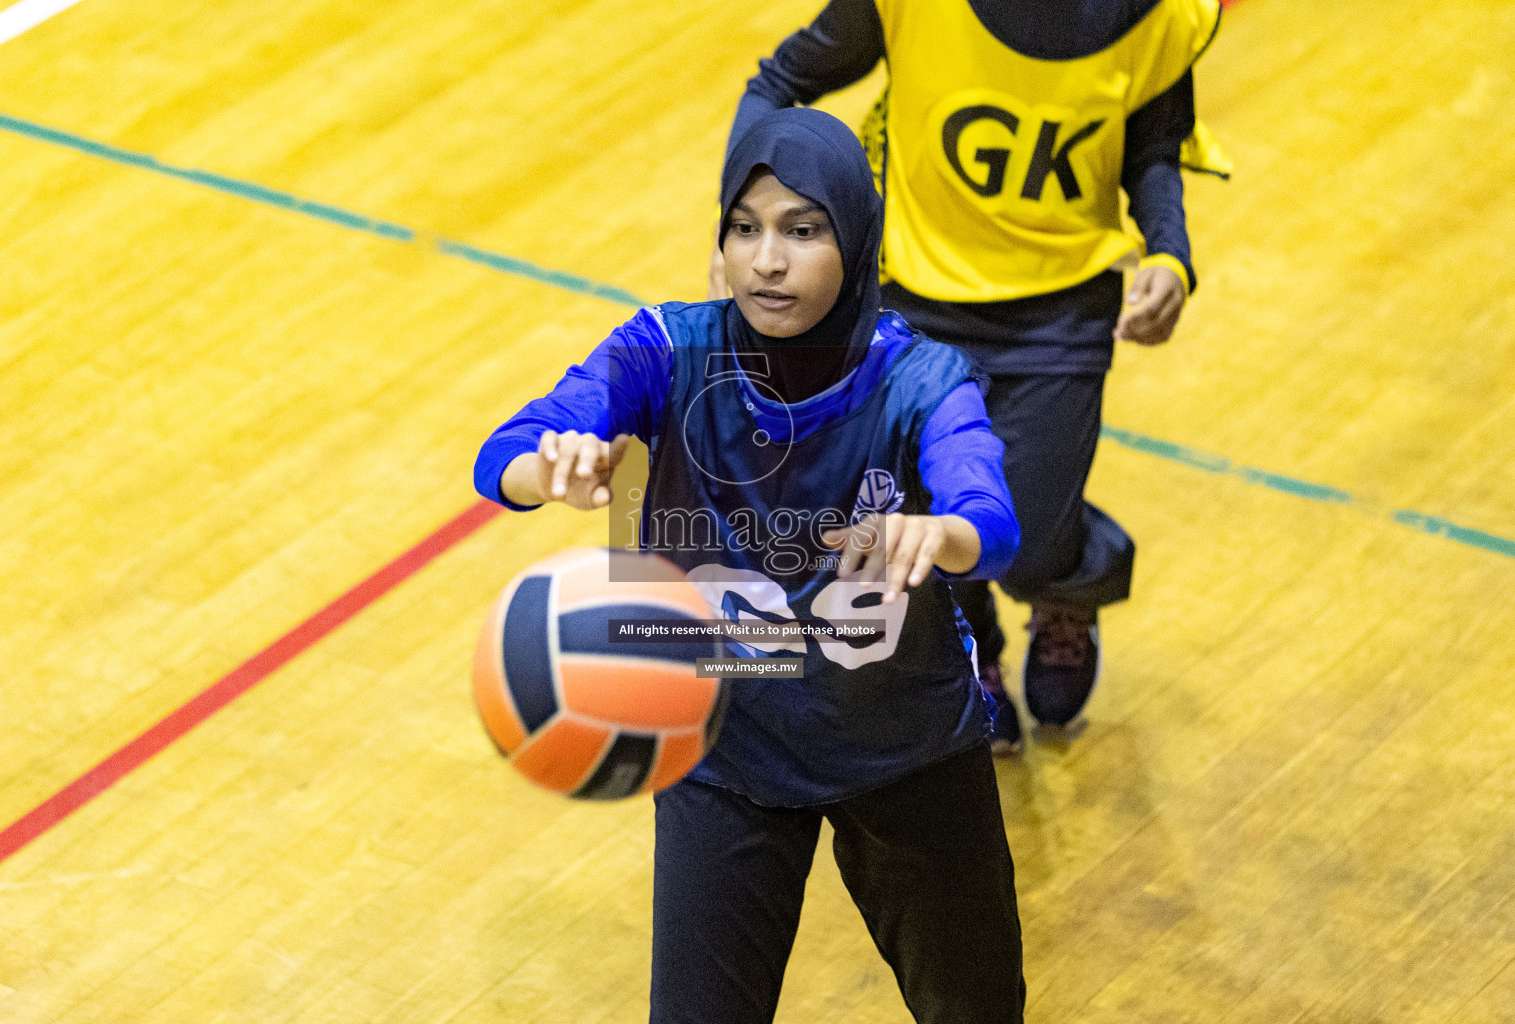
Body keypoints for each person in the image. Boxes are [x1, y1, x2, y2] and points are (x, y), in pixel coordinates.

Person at [475, 108, 1026, 1023]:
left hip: (906, 749)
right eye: (745, 227)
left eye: (803, 231)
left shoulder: (924, 378)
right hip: (728, 752)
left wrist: (950, 538)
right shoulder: (666, 349)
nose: (767, 260)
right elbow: (507, 451)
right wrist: (556, 465)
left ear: (856, 238)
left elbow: (990, 515)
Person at [715, 0, 1228, 751]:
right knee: (921, 504)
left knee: (1029, 534)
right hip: (914, 293)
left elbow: (1153, 145)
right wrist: (743, 218)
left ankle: (1069, 586)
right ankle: (972, 652)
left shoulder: (1160, 17)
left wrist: (1169, 253)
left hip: (1062, 310)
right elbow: (780, 79)